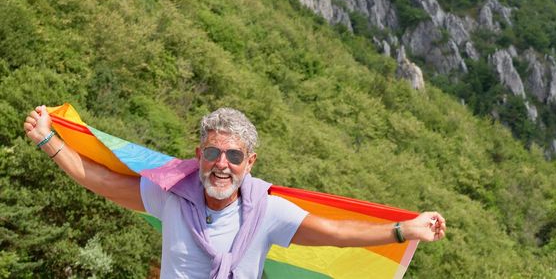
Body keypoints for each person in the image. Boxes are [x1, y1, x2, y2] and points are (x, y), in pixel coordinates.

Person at [24, 105, 446, 278]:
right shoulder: (172, 193)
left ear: (250, 163)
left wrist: (402, 230)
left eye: (233, 155)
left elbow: (336, 233)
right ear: (199, 154)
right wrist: (49, 141)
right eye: (212, 152)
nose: (222, 164)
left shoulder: (268, 212)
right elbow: (102, 181)